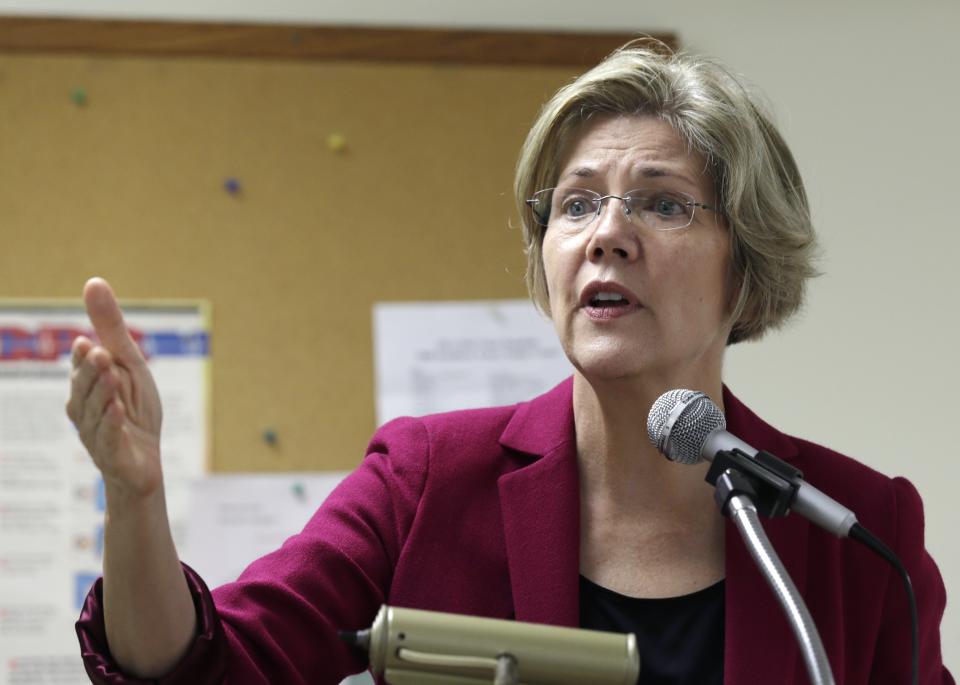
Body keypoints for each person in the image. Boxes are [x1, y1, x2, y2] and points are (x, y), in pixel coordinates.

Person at [71, 41, 952, 684]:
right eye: (575, 205)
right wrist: (137, 499)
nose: (608, 233)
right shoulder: (426, 482)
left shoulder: (860, 535)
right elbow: (202, 666)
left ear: (746, 264)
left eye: (664, 204)